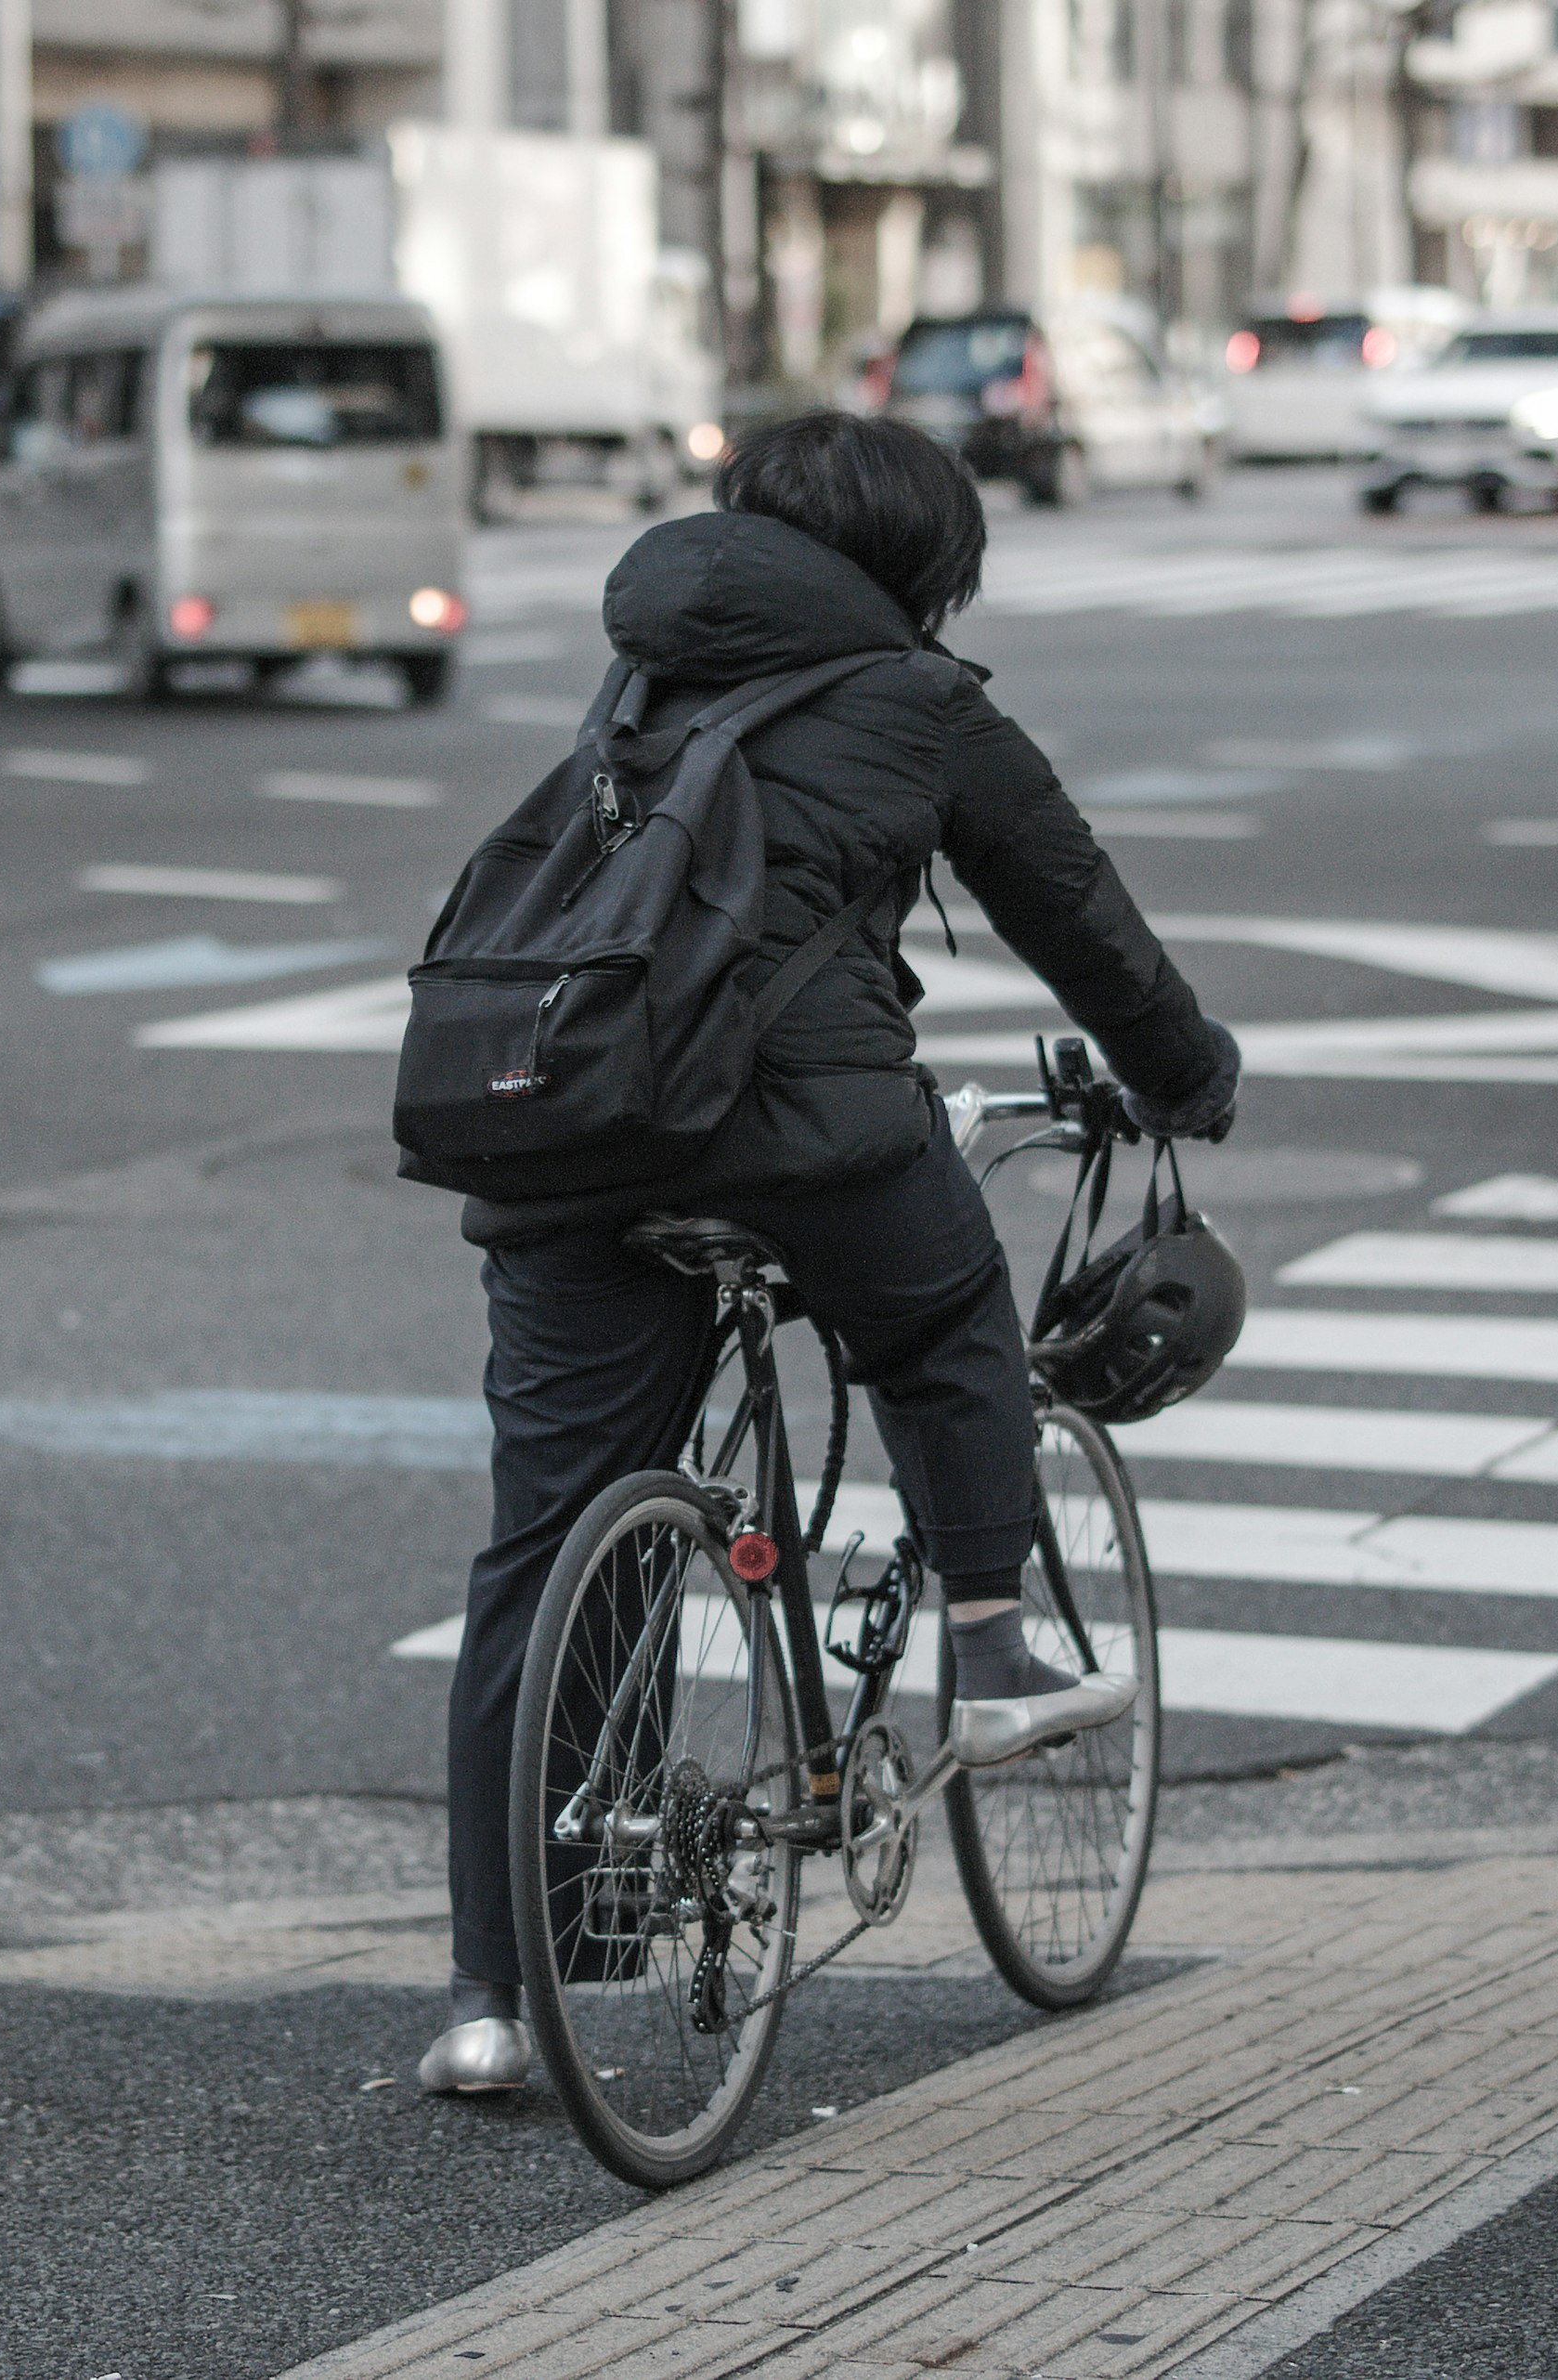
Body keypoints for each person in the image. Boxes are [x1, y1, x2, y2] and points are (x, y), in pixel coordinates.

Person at [412, 414, 1240, 2096]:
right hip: (809, 1131)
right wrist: (1189, 1080)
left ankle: (500, 1998)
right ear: (926, 568)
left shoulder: (640, 677)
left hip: (572, 1134)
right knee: (949, 1328)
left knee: (547, 1543)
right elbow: (1081, 920)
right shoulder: (925, 703)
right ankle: (996, 1658)